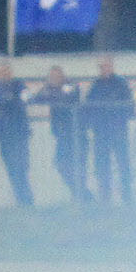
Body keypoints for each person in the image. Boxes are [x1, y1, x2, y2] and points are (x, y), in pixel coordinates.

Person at [0, 61, 35, 207]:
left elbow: (28, 98)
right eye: (1, 72)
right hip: (3, 134)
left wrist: (8, 102)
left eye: (6, 72)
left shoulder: (19, 85)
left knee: (21, 165)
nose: (4, 75)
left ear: (11, 73)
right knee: (10, 166)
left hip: (20, 133)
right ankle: (20, 199)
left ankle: (27, 200)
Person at [84, 57, 136, 203]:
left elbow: (128, 104)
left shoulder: (121, 83)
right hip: (101, 131)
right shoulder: (95, 85)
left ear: (112, 67)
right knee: (102, 163)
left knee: (123, 162)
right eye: (101, 67)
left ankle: (127, 195)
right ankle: (105, 196)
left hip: (118, 129)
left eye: (106, 66)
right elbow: (89, 105)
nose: (104, 69)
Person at [37, 64, 90, 204]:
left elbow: (67, 97)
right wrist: (49, 90)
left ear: (62, 76)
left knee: (78, 166)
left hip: (77, 134)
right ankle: (83, 195)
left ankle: (83, 197)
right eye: (52, 77)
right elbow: (38, 97)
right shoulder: (50, 88)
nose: (54, 79)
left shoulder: (71, 86)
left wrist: (52, 92)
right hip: (62, 136)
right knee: (61, 164)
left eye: (57, 76)